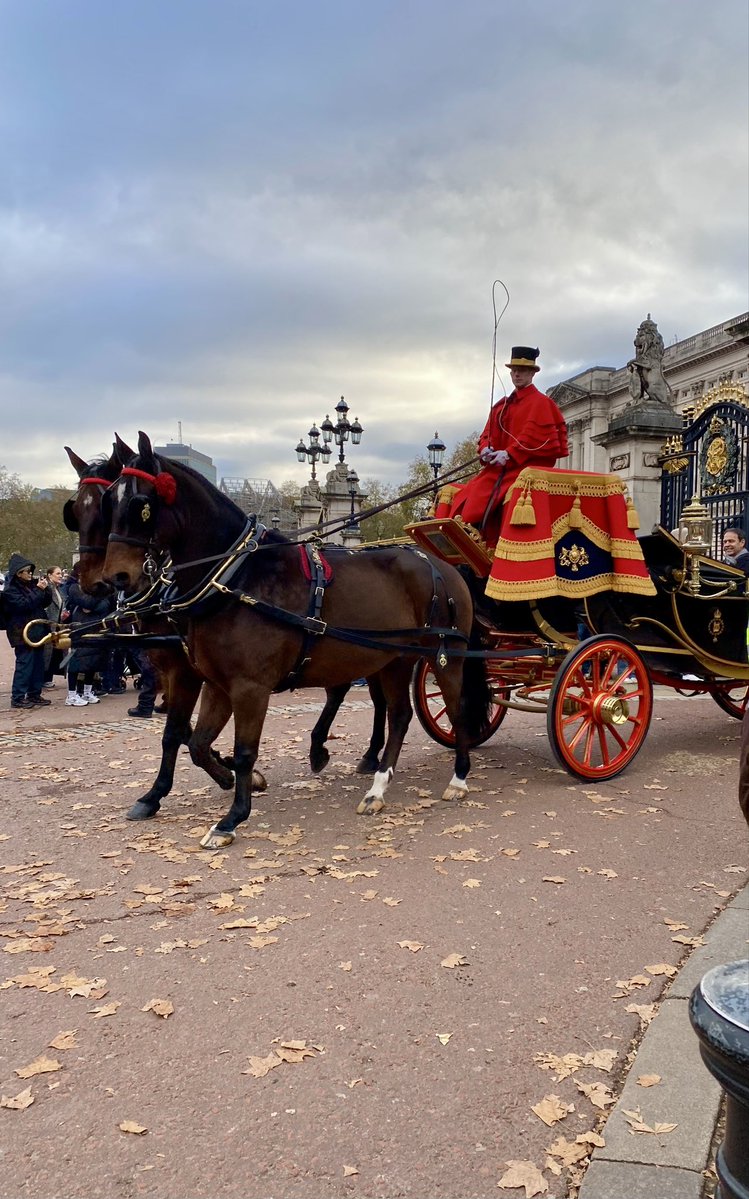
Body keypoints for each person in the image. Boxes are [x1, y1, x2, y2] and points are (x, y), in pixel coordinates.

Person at [449, 346, 569, 546]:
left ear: (532, 373)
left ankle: (484, 541)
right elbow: (487, 433)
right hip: (498, 469)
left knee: (479, 500)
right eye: (514, 370)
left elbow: (532, 439)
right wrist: (486, 449)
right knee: (460, 494)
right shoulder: (501, 405)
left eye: (522, 370)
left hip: (523, 470)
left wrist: (509, 453)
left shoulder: (542, 404)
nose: (517, 374)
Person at [3, 554, 55, 710]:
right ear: (19, 573)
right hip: (21, 633)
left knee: (39, 665)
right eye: (27, 571)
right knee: (25, 665)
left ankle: (34, 693)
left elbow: (43, 602)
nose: (30, 574)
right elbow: (24, 604)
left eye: (31, 571)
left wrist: (46, 590)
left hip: (37, 631)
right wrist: (39, 590)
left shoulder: (32, 585)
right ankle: (18, 696)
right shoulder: (10, 591)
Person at [64, 563, 111, 707]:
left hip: (94, 627)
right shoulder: (74, 588)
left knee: (93, 661)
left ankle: (87, 691)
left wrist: (96, 601)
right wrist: (99, 597)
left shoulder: (91, 588)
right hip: (80, 627)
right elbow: (87, 603)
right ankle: (71, 695)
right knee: (76, 662)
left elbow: (106, 605)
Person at [42, 566, 67, 689]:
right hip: (49, 624)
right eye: (58, 573)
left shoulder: (58, 589)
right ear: (49, 575)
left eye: (61, 573)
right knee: (47, 653)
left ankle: (48, 677)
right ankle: (44, 678)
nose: (61, 576)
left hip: (57, 624)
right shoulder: (48, 588)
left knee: (54, 653)